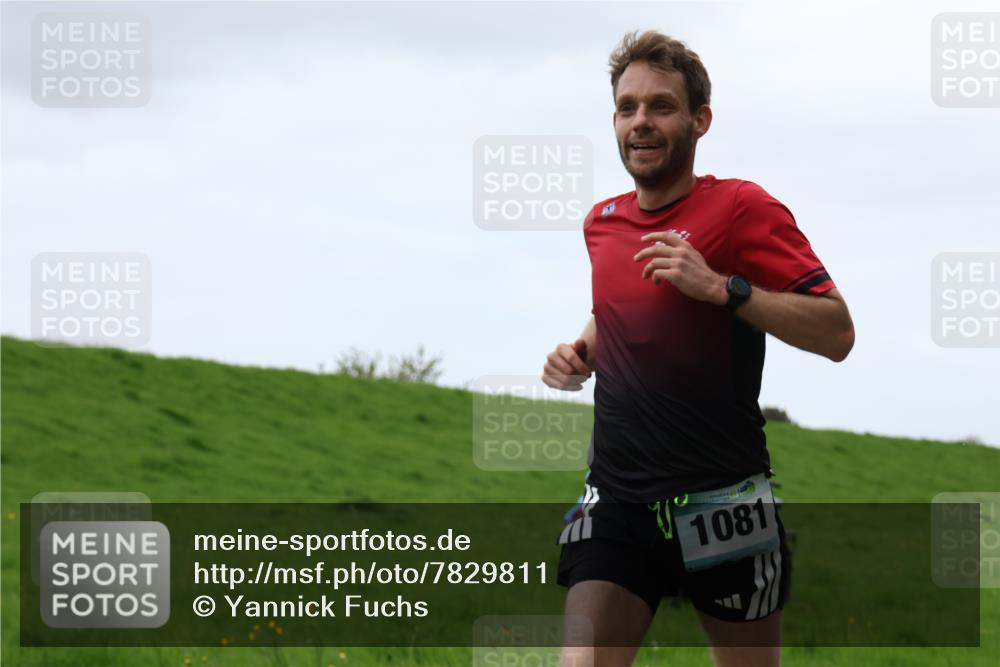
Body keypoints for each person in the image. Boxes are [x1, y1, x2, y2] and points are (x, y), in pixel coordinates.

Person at [541, 30, 855, 667]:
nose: (641, 122)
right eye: (627, 107)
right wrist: (581, 351)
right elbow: (621, 307)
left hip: (725, 500)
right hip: (619, 499)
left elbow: (836, 332)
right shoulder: (602, 222)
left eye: (660, 105)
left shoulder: (743, 208)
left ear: (699, 120)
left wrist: (722, 289)